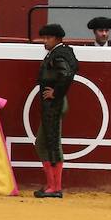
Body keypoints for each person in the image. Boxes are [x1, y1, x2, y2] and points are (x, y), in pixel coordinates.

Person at [33, 23, 77, 199]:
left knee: (51, 142)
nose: (44, 41)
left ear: (57, 39)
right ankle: (52, 185)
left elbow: (66, 74)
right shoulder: (60, 53)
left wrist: (56, 92)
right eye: (44, 37)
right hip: (54, 103)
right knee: (45, 142)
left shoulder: (59, 54)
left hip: (55, 103)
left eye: (48, 38)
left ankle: (55, 187)